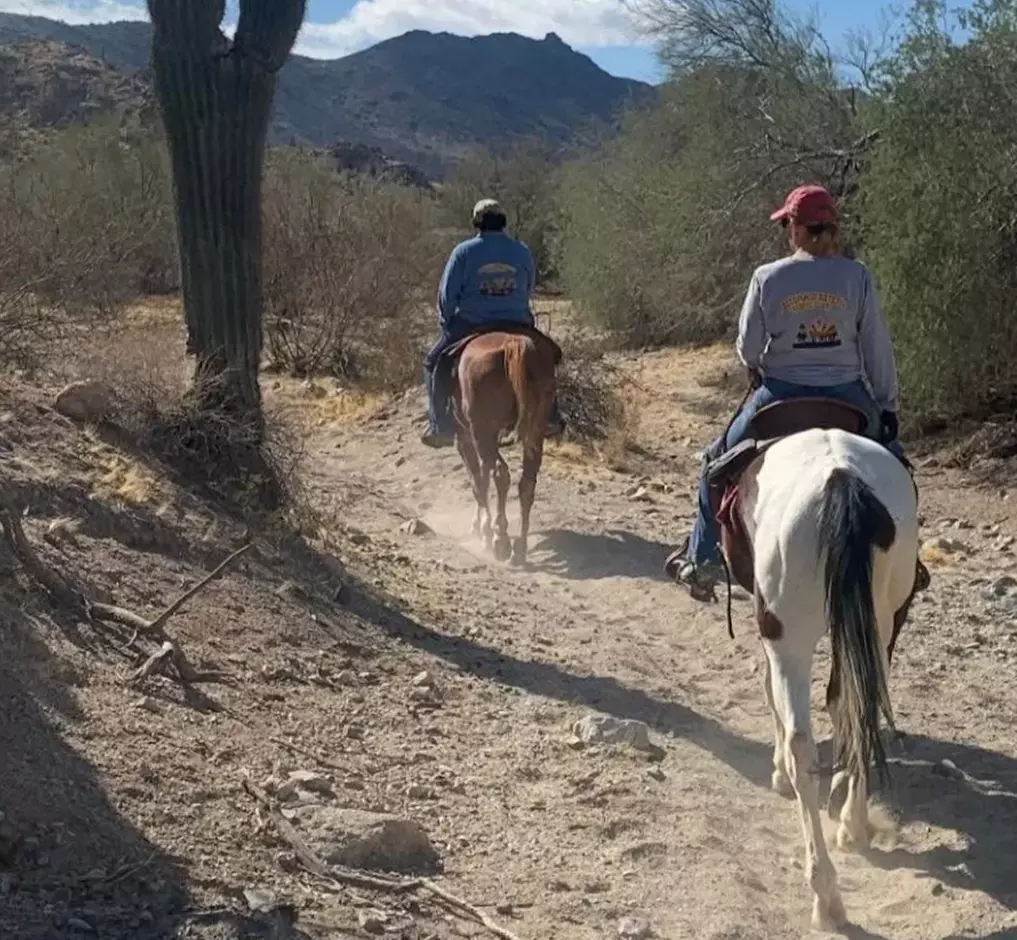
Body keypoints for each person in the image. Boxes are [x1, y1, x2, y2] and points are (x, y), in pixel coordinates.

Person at [665, 183, 930, 597]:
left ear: (796, 229)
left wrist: (759, 362)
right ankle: (908, 561)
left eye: (787, 223)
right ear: (832, 230)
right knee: (898, 469)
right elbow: (877, 349)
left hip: (779, 396)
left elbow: (748, 348)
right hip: (848, 397)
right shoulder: (856, 276)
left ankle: (703, 559)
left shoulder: (767, 277)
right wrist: (888, 405)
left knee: (716, 462)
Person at [421, 198, 566, 448]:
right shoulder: (521, 250)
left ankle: (440, 425)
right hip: (517, 321)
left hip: (471, 323)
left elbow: (447, 295)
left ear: (477, 222)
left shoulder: (463, 252)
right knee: (548, 357)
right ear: (502, 221)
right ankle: (551, 414)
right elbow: (529, 285)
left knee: (434, 362)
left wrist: (447, 321)